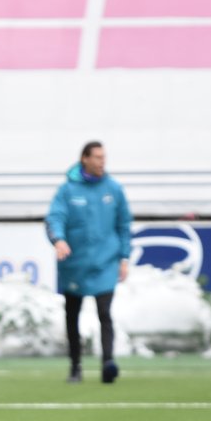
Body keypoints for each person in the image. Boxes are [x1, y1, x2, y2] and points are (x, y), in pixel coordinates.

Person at [45, 140, 133, 384]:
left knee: (104, 312)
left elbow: (124, 225)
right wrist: (59, 240)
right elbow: (55, 218)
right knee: (72, 316)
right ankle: (75, 366)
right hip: (75, 264)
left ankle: (108, 363)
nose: (102, 161)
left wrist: (124, 257)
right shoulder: (67, 190)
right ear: (84, 158)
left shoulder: (113, 189)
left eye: (104, 157)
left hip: (105, 263)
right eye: (97, 157)